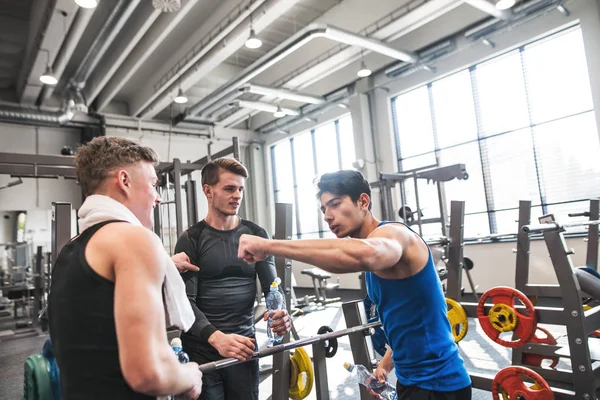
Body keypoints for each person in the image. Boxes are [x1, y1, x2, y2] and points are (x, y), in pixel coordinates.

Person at [237, 170, 472, 400]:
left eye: (335, 204)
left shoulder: (394, 234)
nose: (327, 215)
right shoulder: (372, 250)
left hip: (440, 384)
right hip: (412, 380)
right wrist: (386, 365)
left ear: (363, 201)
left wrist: (268, 246)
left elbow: (364, 255)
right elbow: (406, 322)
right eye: (323, 209)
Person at [48, 136, 203, 399]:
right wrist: (189, 375)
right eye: (154, 184)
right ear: (124, 181)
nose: (157, 198)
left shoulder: (73, 248)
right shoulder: (133, 240)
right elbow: (148, 374)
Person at [174, 157, 291, 400]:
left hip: (243, 347)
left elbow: (273, 290)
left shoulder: (256, 234)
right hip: (203, 348)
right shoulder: (192, 239)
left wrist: (281, 314)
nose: (237, 195)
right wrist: (217, 339)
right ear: (208, 190)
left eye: (240, 189)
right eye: (229, 188)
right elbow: (186, 303)